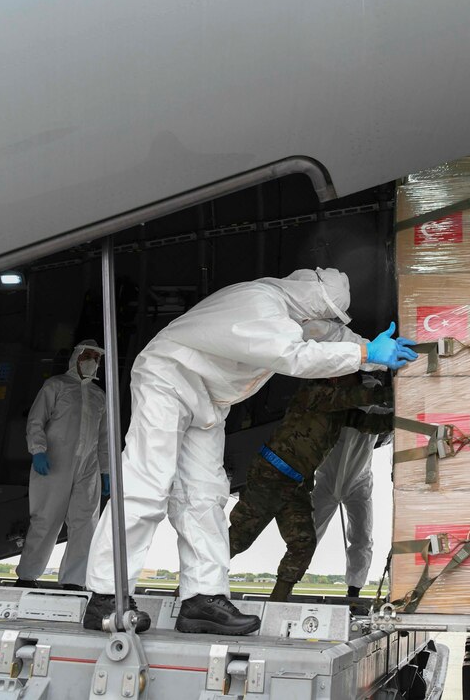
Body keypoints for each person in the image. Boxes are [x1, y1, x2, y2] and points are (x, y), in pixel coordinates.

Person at [83, 268, 417, 635]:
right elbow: (295, 357)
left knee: (206, 495)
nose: (317, 322)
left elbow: (331, 335)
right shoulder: (260, 304)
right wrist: (366, 353)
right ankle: (106, 595)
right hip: (169, 377)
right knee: (147, 482)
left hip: (208, 399)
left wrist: (378, 353)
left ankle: (202, 599)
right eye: (320, 314)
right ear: (310, 298)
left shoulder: (295, 312)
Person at [229, 374, 392, 602]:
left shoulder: (341, 411)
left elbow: (372, 423)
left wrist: (408, 412)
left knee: (303, 542)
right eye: (351, 380)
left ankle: (278, 600)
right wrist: (393, 392)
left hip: (295, 483)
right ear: (336, 380)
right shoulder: (317, 392)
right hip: (270, 476)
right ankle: (198, 586)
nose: (355, 384)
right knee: (239, 537)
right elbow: (358, 396)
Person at [17, 340, 109, 591]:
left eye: (96, 357)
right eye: (87, 355)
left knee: (85, 524)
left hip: (88, 467)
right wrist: (38, 451)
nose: (92, 360)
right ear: (76, 357)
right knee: (46, 519)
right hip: (54, 461)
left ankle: (74, 581)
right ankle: (27, 575)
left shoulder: (99, 395)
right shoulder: (56, 385)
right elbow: (36, 421)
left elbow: (104, 437)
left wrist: (106, 470)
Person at [310, 391, 390, 598]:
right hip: (327, 480)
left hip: (358, 482)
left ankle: (354, 590)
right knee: (308, 535)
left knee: (362, 537)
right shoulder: (337, 405)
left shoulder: (378, 411)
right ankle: (289, 579)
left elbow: (390, 429)